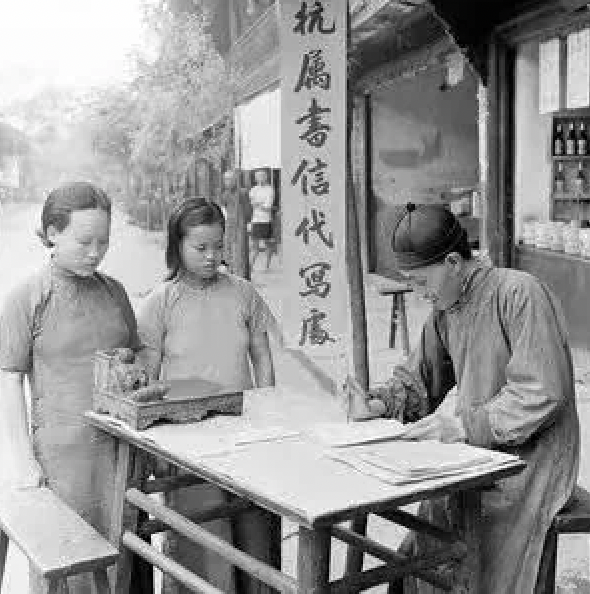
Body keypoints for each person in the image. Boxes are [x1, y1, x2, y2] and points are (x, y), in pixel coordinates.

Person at [346, 203, 580, 594]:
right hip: (478, 450)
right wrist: (378, 405)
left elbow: (542, 392)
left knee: (485, 547)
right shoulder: (445, 309)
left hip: (534, 459)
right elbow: (420, 382)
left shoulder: (519, 292)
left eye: (421, 281)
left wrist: (463, 425)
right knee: (430, 533)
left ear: (453, 261)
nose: (419, 294)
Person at [0, 181, 142, 594]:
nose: (95, 252)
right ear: (51, 232)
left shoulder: (114, 292)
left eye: (104, 242)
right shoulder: (27, 298)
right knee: (69, 558)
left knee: (123, 550)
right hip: (64, 457)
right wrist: (23, 460)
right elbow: (9, 380)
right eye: (84, 241)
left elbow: (135, 354)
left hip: (119, 449)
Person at [136, 198, 279, 594]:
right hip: (187, 442)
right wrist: (153, 442)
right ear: (177, 246)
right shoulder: (160, 301)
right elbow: (147, 377)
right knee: (202, 541)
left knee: (256, 532)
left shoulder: (243, 293)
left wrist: (268, 413)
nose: (212, 256)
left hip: (245, 434)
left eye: (218, 246)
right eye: (201, 248)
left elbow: (262, 358)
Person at [217, 169, 251, 279]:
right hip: (229, 225)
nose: (227, 182)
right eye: (225, 179)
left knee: (240, 250)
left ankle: (241, 275)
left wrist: (248, 222)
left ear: (235, 180)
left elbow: (248, 209)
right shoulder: (224, 194)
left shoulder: (242, 193)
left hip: (240, 225)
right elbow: (223, 210)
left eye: (230, 179)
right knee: (228, 249)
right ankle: (230, 273)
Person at [248, 169, 275, 271]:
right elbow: (252, 204)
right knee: (254, 246)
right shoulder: (253, 189)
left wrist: (258, 204)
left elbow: (268, 206)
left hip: (266, 220)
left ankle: (266, 266)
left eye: (262, 176)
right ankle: (250, 268)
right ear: (255, 178)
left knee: (268, 245)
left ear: (266, 177)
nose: (260, 178)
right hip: (255, 220)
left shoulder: (270, 189)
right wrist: (259, 204)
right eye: (258, 176)